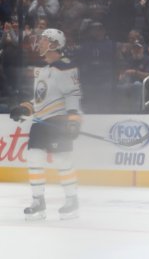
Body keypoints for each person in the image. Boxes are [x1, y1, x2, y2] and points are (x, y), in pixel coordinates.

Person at [9, 28, 82, 221]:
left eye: (43, 40)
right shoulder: (42, 70)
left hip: (58, 122)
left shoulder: (65, 67)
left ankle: (71, 200)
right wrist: (25, 108)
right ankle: (38, 202)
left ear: (54, 44)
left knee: (62, 161)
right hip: (40, 123)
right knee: (34, 158)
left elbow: (73, 95)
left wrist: (73, 120)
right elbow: (39, 100)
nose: (39, 43)